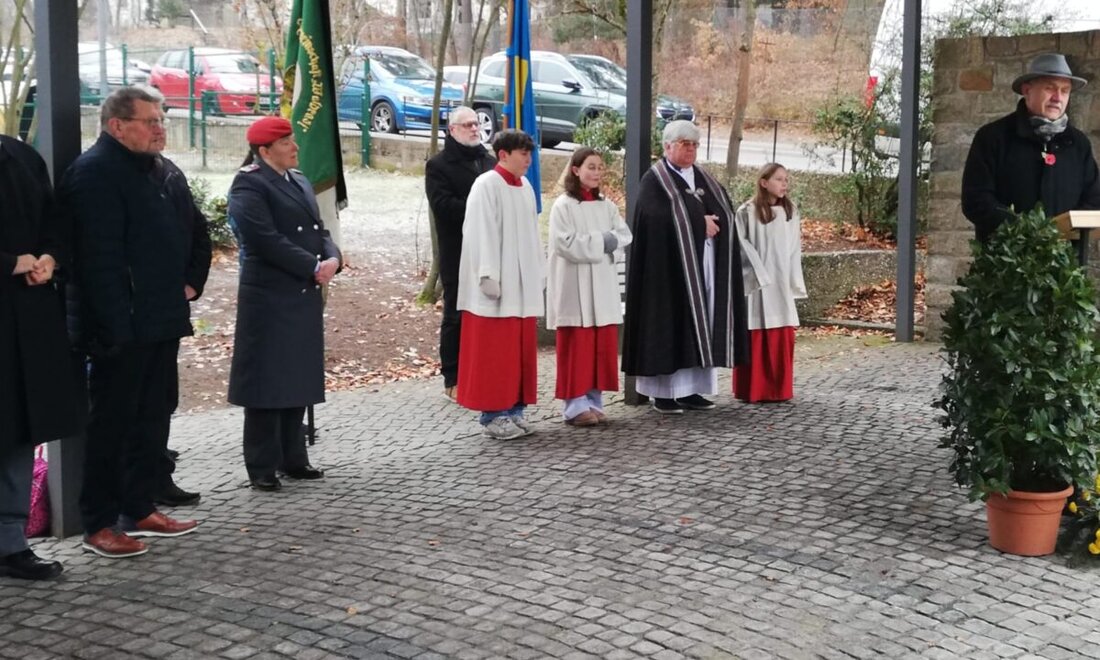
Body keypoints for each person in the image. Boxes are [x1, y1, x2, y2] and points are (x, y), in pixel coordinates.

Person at [60, 86, 205, 559]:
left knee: (151, 418)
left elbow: (175, 238)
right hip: (120, 329)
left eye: (161, 119)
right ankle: (99, 522)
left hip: (158, 320)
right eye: (149, 121)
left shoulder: (151, 172)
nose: (160, 128)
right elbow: (98, 262)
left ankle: (138, 507)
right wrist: (114, 331)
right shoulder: (95, 174)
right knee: (112, 426)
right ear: (116, 126)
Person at [621, 119, 768, 414]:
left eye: (695, 145)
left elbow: (725, 210)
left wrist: (715, 222)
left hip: (706, 265)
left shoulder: (703, 177)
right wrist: (697, 224)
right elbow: (654, 218)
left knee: (705, 322)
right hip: (669, 274)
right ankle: (664, 394)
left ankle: (693, 391)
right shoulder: (655, 180)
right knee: (673, 324)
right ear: (668, 147)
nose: (691, 150)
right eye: (685, 145)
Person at [228, 116, 342, 492]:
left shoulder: (301, 181)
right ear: (264, 151)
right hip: (270, 294)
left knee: (296, 376)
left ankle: (294, 457)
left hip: (302, 291)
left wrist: (332, 258)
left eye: (293, 140)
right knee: (266, 380)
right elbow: (263, 238)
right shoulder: (250, 183)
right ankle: (261, 464)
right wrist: (311, 266)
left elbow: (319, 230)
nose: (295, 147)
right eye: (286, 142)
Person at [0, 134, 82, 580]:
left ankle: (10, 542)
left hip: (28, 319)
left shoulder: (20, 155)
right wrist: (10, 262)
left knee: (17, 431)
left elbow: (56, 219)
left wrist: (49, 257)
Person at [455, 129, 545, 440]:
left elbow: (532, 234)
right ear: (503, 154)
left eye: (530, 154)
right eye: (523, 154)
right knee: (495, 352)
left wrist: (537, 272)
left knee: (518, 351)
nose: (528, 160)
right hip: (496, 287)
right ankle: (493, 414)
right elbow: (481, 232)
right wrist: (487, 274)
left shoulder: (525, 187)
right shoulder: (486, 185)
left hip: (520, 285)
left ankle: (515, 408)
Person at [962, 52, 1100, 244]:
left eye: (1065, 90)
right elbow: (976, 200)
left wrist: (1058, 235)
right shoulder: (993, 137)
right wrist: (1027, 232)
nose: (1057, 98)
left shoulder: (1078, 144)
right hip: (1003, 264)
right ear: (1027, 90)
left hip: (1063, 266)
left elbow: (1094, 200)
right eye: (1050, 88)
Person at [546, 147, 632, 426]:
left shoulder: (606, 205)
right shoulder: (564, 206)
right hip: (575, 285)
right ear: (575, 170)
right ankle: (574, 405)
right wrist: (602, 242)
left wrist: (607, 243)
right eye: (590, 167)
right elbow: (566, 244)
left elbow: (623, 236)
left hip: (601, 284)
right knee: (577, 346)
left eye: (599, 167)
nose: (596, 172)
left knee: (599, 346)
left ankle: (594, 400)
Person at [425, 106, 496, 402]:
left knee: (486, 312)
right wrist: (480, 208)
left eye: (476, 124)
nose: (474, 129)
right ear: (452, 130)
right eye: (466, 125)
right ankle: (452, 377)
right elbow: (443, 206)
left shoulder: (489, 161)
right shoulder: (438, 165)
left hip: (489, 249)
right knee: (455, 314)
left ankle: (482, 372)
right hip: (457, 249)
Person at [732, 163, 806, 403]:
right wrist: (758, 274)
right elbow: (740, 245)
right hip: (757, 284)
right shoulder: (747, 212)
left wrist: (792, 279)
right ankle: (753, 388)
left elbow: (794, 248)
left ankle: (778, 388)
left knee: (780, 332)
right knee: (756, 330)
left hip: (781, 281)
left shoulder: (791, 211)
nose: (784, 184)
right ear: (764, 182)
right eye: (779, 179)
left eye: (786, 179)